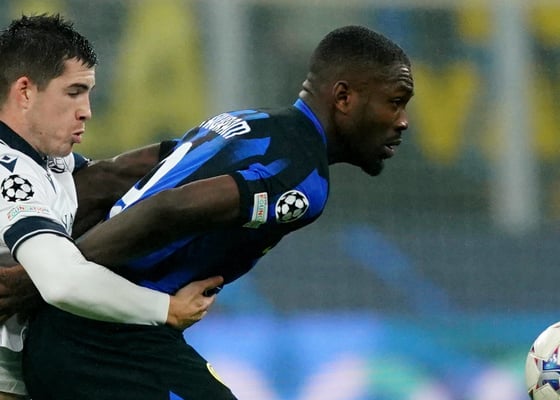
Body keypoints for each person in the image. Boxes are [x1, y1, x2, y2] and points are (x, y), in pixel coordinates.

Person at [21, 25, 414, 399]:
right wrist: (41, 276)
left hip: (76, 329)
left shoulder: (247, 121)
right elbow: (171, 207)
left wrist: (39, 260)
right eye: (395, 102)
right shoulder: (303, 180)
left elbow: (114, 174)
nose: (403, 121)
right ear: (343, 97)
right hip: (106, 342)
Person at [0, 14, 222, 399]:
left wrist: (209, 148)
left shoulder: (50, 163)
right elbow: (63, 282)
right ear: (25, 92)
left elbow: (111, 175)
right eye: (73, 92)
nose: (86, 110)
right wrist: (166, 308)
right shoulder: (9, 171)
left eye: (88, 93)